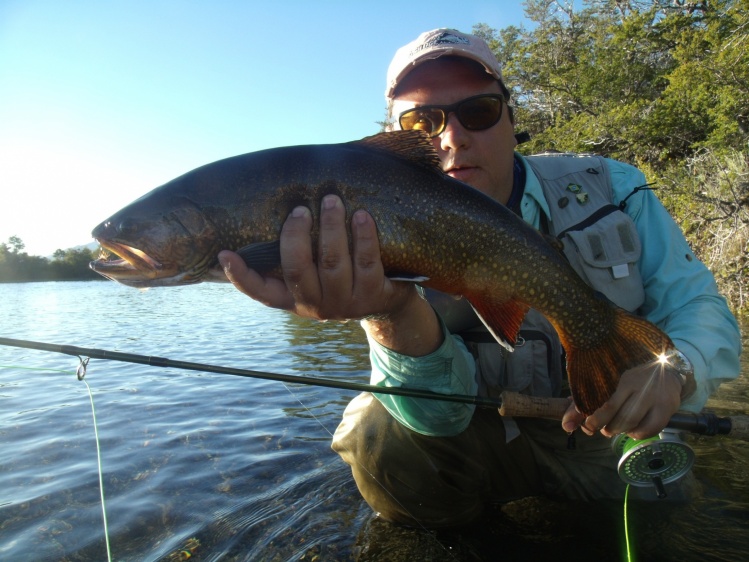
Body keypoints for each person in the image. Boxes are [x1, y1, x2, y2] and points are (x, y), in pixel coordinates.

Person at [218, 29, 742, 528]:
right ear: (392, 142)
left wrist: (673, 370)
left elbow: (700, 306)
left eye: (479, 111)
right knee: (375, 430)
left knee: (666, 510)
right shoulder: (367, 225)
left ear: (512, 118)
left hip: (610, 439)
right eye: (422, 122)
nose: (453, 137)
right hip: (483, 444)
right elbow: (435, 421)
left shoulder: (612, 187)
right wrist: (391, 311)